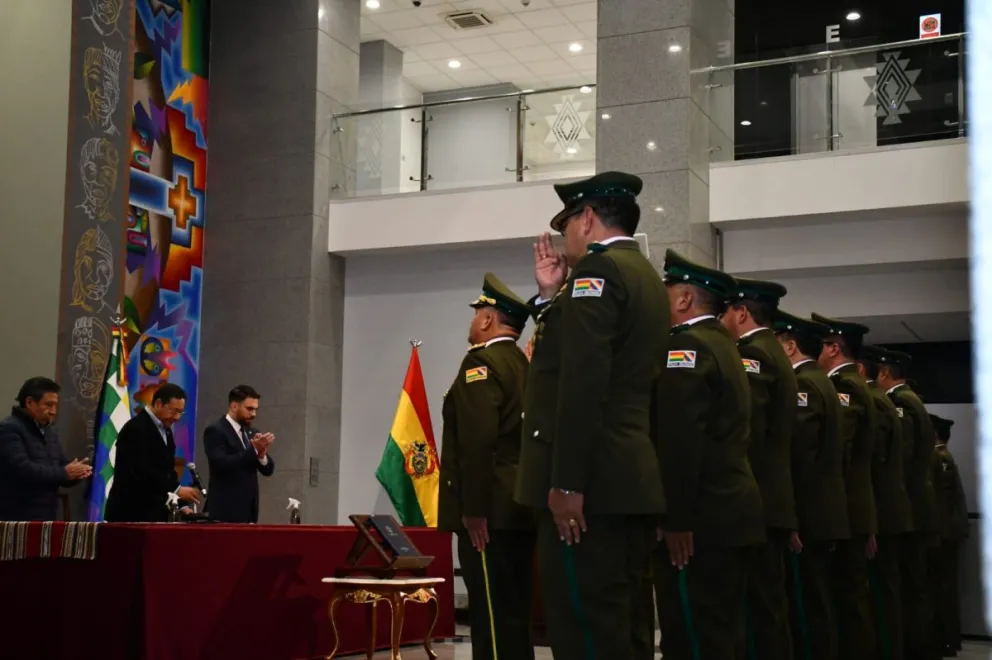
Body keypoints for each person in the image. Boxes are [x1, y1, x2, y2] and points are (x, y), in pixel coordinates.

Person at [514, 172, 669, 660]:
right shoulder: (643, 274)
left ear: (586, 218)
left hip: (591, 487)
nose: (565, 241)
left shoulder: (598, 274)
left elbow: (582, 384)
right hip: (627, 481)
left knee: (584, 627)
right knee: (625, 626)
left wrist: (566, 483)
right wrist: (548, 299)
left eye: (567, 226)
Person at [654, 249, 764, 660]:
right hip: (729, 515)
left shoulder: (688, 348)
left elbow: (682, 442)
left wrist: (675, 519)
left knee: (691, 636)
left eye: (667, 290)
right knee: (721, 632)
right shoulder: (722, 345)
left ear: (684, 300)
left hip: (700, 522)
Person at [438, 273, 535, 660]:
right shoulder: (524, 365)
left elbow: (479, 442)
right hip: (519, 507)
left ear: (487, 319)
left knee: (491, 616)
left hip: (489, 513)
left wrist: (474, 510)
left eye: (478, 312)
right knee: (515, 612)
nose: (473, 321)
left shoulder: (481, 364)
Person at [722, 278, 798, 659]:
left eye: (725, 311)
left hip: (756, 502)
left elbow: (745, 432)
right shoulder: (774, 352)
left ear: (741, 312)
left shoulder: (753, 356)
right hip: (772, 500)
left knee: (757, 612)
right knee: (767, 607)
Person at [773, 311, 849, 660]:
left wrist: (792, 518)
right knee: (819, 605)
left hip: (809, 515)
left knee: (805, 609)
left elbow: (801, 458)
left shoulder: (803, 383)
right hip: (825, 513)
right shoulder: (823, 381)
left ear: (789, 347)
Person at [810, 313, 877, 659]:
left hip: (847, 508)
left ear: (834, 348)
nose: (818, 354)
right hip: (855, 507)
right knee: (850, 600)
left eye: (822, 346)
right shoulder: (859, 386)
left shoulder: (846, 388)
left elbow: (841, 451)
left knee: (845, 602)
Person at [875, 349, 939, 660]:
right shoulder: (912, 400)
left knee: (907, 588)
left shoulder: (900, 403)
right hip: (916, 506)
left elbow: (900, 459)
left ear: (884, 374)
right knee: (913, 587)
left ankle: (915, 650)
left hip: (909, 508)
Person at [858, 345, 914, 660]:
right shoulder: (897, 403)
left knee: (881, 593)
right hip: (895, 508)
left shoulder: (888, 403)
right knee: (891, 591)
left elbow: (877, 462)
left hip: (883, 510)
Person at [104, 383, 201, 522]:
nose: (177, 417)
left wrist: (180, 503)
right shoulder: (135, 428)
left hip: (154, 513)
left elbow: (167, 471)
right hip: (130, 513)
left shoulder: (166, 431)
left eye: (181, 412)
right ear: (158, 403)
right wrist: (176, 489)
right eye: (174, 411)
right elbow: (140, 470)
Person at [0, 377, 92, 521]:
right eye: (48, 405)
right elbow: (22, 469)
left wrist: (77, 472)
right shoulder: (10, 428)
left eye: (55, 405)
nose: (53, 411)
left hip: (47, 514)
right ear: (29, 402)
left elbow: (60, 467)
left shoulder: (49, 432)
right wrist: (64, 473)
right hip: (17, 516)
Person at [203, 385, 276, 523]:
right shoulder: (216, 430)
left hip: (249, 509)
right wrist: (253, 450)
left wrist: (261, 455)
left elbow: (268, 470)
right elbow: (221, 463)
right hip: (225, 510)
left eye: (255, 409)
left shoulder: (251, 433)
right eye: (249, 409)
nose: (254, 414)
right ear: (234, 406)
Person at [929, 414, 968, 657]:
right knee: (945, 588)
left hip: (943, 534)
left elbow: (940, 502)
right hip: (949, 533)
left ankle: (945, 639)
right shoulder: (945, 456)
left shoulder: (939, 457)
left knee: (941, 588)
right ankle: (950, 640)